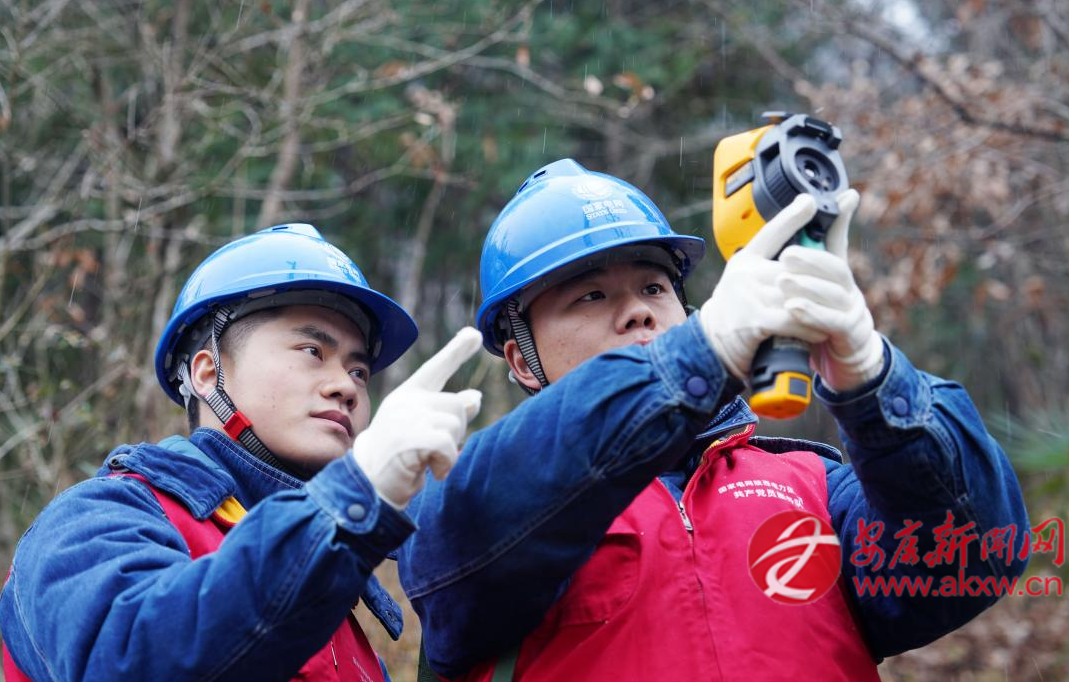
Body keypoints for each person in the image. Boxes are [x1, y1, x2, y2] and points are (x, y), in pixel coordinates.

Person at [399, 159, 1029, 681]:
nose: (638, 312)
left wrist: (874, 378)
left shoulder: (813, 487)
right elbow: (465, 539)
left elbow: (971, 560)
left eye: (654, 288)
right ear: (522, 360)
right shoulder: (478, 496)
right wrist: (691, 361)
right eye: (590, 295)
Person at [0, 223, 483, 681]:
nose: (346, 387)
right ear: (207, 373)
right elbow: (134, 661)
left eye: (359, 372)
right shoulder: (99, 516)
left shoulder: (338, 602)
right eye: (312, 351)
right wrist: (351, 503)